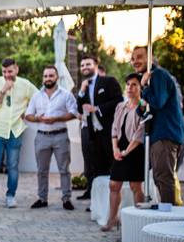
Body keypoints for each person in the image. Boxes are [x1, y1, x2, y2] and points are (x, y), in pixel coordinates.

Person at [0, 58, 38, 209]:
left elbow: (38, 99)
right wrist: (3, 90)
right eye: (4, 71)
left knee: (13, 166)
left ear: (16, 69)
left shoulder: (25, 84)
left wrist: (28, 113)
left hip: (16, 131)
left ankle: (11, 196)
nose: (7, 75)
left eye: (10, 71)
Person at [135, 46, 184, 203]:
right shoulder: (150, 78)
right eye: (133, 58)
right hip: (157, 134)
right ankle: (166, 212)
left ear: (150, 57)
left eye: (139, 57)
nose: (135, 61)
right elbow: (141, 111)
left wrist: (143, 87)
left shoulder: (158, 75)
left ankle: (168, 218)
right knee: (159, 177)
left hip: (165, 134)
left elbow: (158, 102)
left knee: (164, 178)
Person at [25, 65, 79, 210]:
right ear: (43, 78)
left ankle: (66, 199)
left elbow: (74, 112)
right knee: (41, 170)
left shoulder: (66, 94)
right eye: (46, 76)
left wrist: (57, 119)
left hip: (60, 135)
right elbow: (28, 115)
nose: (48, 78)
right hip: (42, 136)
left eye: (51, 75)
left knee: (64, 170)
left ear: (56, 77)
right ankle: (42, 199)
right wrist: (38, 118)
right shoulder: (36, 96)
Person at [101, 73, 147, 231]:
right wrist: (115, 148)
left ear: (141, 88)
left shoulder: (143, 107)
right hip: (119, 149)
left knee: (135, 186)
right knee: (114, 185)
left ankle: (139, 221)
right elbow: (114, 128)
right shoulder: (121, 106)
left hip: (135, 149)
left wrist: (127, 151)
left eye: (134, 84)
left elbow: (140, 133)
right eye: (128, 84)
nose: (130, 87)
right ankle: (112, 219)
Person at [76, 55, 122, 200]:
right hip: (92, 134)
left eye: (88, 64)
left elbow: (118, 101)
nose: (85, 67)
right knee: (96, 169)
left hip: (108, 132)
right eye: (82, 65)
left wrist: (97, 109)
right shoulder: (83, 85)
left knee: (112, 167)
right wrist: (82, 92)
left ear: (96, 64)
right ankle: (98, 203)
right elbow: (79, 108)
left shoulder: (108, 81)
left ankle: (115, 199)